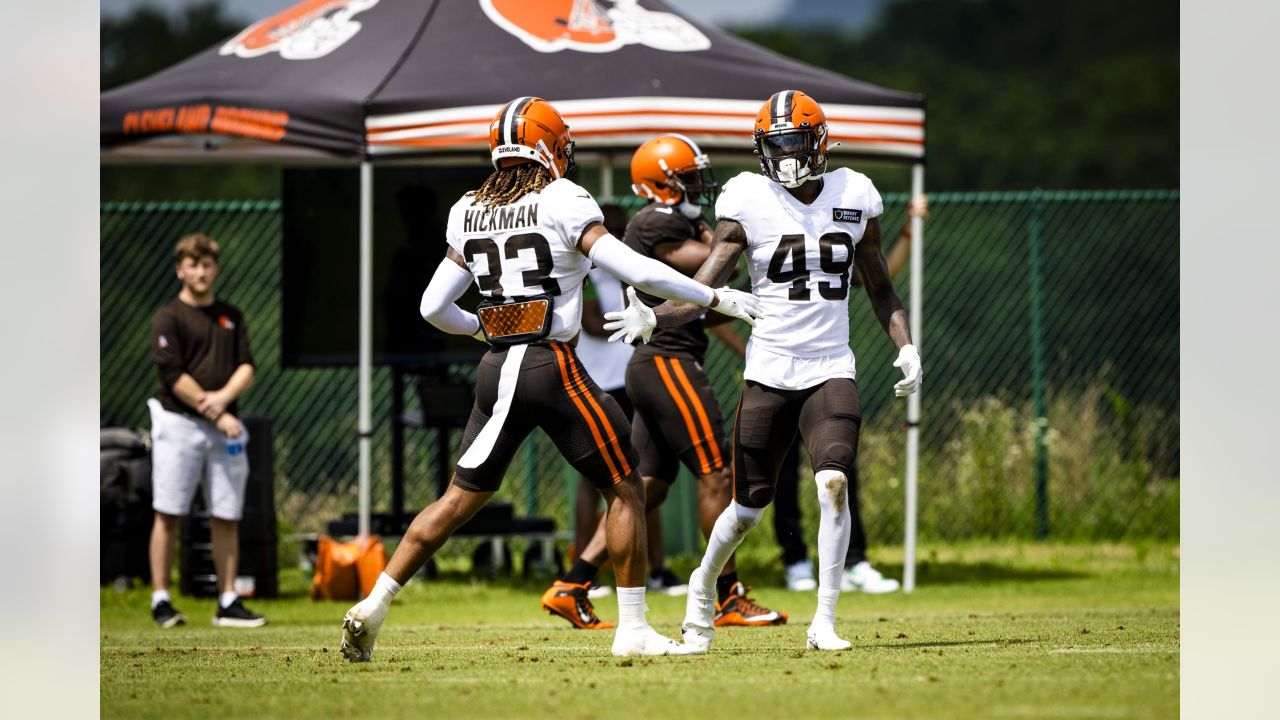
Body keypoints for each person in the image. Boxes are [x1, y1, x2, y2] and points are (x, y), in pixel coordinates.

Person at [339, 96, 761, 661]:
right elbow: (634, 268)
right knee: (626, 486)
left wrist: (481, 330)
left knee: (459, 499)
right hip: (552, 365)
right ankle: (632, 628)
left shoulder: (467, 208)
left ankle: (375, 603)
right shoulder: (563, 198)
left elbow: (432, 308)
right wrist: (713, 295)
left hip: (497, 370)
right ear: (547, 147)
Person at [606, 90, 922, 652]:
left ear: (819, 142)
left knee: (834, 481)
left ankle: (823, 620)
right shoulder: (748, 198)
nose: (785, 155)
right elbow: (705, 286)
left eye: (794, 142)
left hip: (830, 365)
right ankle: (704, 585)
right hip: (770, 368)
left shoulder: (855, 193)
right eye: (775, 145)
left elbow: (881, 289)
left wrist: (906, 345)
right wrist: (655, 316)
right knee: (747, 509)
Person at [543, 134, 786, 630]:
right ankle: (728, 595)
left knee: (645, 487)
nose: (699, 184)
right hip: (667, 362)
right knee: (716, 473)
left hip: (656, 362)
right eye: (689, 177)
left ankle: (573, 583)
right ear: (661, 184)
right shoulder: (655, 222)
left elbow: (702, 304)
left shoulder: (677, 219)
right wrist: (744, 230)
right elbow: (716, 265)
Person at [778, 195, 929, 594]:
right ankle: (794, 559)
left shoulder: (841, 234)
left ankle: (854, 559)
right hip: (778, 369)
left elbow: (877, 280)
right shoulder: (768, 239)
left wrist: (909, 232)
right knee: (778, 471)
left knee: (839, 465)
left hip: (828, 365)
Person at [146, 232, 266, 628]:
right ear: (180, 269)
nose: (201, 271)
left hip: (224, 430)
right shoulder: (168, 317)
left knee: (226, 513)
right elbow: (172, 373)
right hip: (179, 424)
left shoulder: (230, 316)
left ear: (216, 268)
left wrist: (224, 399)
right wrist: (214, 410)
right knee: (168, 512)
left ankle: (227, 600)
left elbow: (246, 364)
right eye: (193, 264)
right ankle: (161, 599)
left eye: (207, 264)